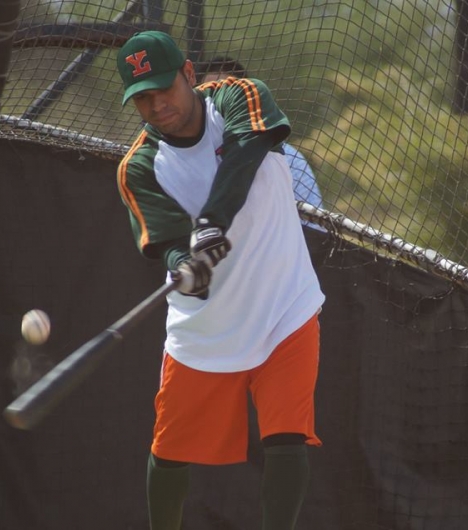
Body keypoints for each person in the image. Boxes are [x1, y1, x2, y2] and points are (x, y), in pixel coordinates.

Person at [115, 31, 325, 530]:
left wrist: (212, 219)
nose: (157, 104)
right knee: (169, 453)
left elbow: (247, 149)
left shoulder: (239, 95)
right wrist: (183, 271)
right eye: (142, 97)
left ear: (189, 74)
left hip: (284, 302)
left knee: (286, 437)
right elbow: (163, 241)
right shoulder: (139, 167)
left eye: (164, 87)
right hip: (206, 326)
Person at [197, 57, 325, 218]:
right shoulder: (185, 152)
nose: (222, 99)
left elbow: (316, 226)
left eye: (230, 91)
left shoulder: (288, 156)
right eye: (212, 92)